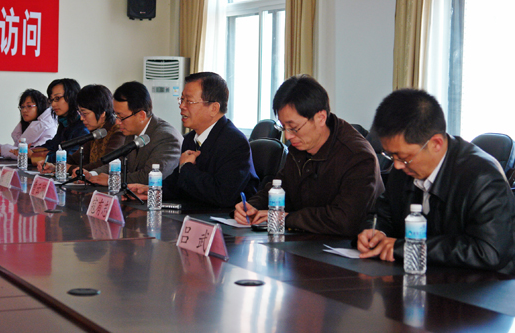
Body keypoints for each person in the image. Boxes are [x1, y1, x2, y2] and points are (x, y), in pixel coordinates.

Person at [357, 89, 515, 274]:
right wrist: (376, 232)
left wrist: (409, 248)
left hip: (483, 285)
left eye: (403, 157)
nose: (397, 165)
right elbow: (383, 213)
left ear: (436, 144)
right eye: (391, 156)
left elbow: (489, 251)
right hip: (423, 277)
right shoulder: (405, 167)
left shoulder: (482, 177)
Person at [234, 75, 383, 237]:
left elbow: (345, 220)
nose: (288, 136)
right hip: (305, 239)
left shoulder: (357, 156)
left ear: (321, 118)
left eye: (294, 128)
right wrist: (251, 206)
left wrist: (288, 218)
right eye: (284, 128)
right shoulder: (300, 146)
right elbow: (281, 187)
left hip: (345, 245)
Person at [130, 72, 259, 208]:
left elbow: (222, 195)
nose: (182, 106)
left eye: (189, 101)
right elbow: (178, 183)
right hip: (195, 214)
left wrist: (187, 167)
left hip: (224, 218)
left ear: (214, 108)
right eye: (182, 100)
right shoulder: (190, 139)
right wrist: (153, 190)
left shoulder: (234, 142)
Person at [84, 81, 182, 185]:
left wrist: (112, 180)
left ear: (141, 115)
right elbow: (119, 164)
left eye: (121, 117)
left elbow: (149, 177)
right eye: (116, 115)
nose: (117, 122)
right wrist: (92, 174)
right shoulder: (131, 131)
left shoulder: (167, 138)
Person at [38, 84, 125, 175]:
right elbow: (76, 159)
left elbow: (104, 165)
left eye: (85, 113)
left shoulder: (117, 132)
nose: (82, 118)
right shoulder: (95, 133)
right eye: (80, 113)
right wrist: (54, 166)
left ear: (102, 113)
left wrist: (69, 168)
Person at [0, 89, 57, 159]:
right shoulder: (27, 125)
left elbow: (32, 153)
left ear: (40, 106)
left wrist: (0, 150)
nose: (24, 110)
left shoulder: (49, 128)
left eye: (29, 106)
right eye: (22, 107)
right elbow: (16, 150)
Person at [31, 78, 89, 163]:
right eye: (51, 100)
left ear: (72, 97)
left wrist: (37, 156)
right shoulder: (64, 123)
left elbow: (71, 156)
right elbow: (53, 145)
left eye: (57, 98)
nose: (53, 104)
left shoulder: (83, 127)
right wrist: (31, 150)